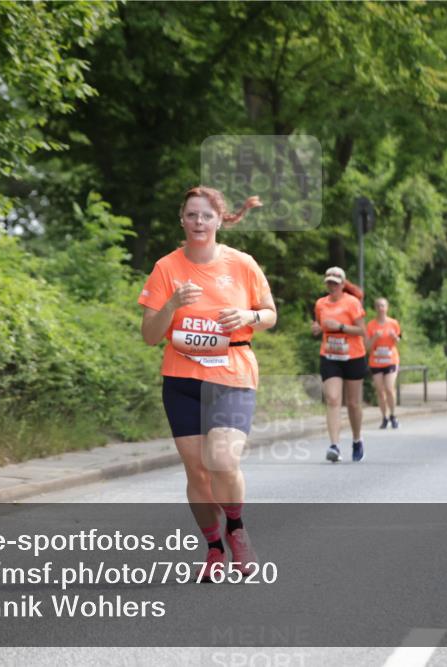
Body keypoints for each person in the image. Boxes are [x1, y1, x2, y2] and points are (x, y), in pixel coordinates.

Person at [139, 186, 274, 581]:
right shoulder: (166, 268)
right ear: (182, 220)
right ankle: (214, 548)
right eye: (191, 215)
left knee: (222, 461)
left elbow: (270, 313)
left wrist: (248, 317)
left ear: (219, 220)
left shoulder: (242, 264)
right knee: (197, 473)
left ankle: (237, 529)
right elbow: (149, 335)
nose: (199, 222)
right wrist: (172, 304)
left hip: (232, 375)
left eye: (206, 215)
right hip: (181, 379)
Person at [311, 267, 367, 462]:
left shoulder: (352, 303)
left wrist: (341, 327)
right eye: (329, 282)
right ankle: (334, 446)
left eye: (335, 283)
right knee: (333, 399)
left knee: (353, 403)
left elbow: (362, 331)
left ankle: (357, 439)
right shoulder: (320, 304)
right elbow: (319, 326)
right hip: (330, 355)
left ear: (343, 284)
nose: (332, 286)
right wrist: (317, 329)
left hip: (353, 356)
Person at [365, 297, 401, 429]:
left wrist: (394, 337)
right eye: (378, 306)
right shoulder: (371, 325)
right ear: (375, 308)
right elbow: (367, 347)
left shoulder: (393, 323)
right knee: (380, 391)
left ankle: (393, 415)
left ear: (387, 308)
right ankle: (384, 417)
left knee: (389, 388)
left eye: (383, 306)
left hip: (391, 360)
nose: (381, 308)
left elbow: (398, 340)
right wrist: (375, 337)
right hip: (376, 361)